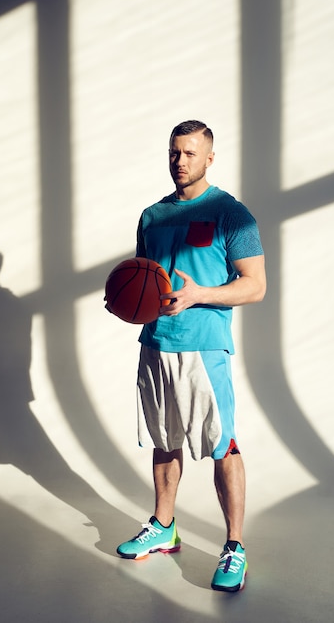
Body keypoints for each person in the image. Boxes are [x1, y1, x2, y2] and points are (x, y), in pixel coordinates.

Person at [115, 120, 266, 593]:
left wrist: (201, 294)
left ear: (209, 158)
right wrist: (124, 302)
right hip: (156, 343)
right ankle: (164, 527)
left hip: (204, 347)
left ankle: (234, 546)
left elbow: (255, 286)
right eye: (174, 152)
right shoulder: (152, 216)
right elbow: (144, 278)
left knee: (224, 445)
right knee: (164, 438)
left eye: (190, 153)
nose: (180, 161)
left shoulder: (231, 214)